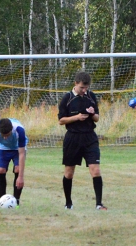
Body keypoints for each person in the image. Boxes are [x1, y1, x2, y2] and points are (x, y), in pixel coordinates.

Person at [58, 71, 107, 210]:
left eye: (86, 88)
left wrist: (92, 114)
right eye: (82, 88)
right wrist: (76, 117)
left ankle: (98, 204)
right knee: (69, 172)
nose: (84, 91)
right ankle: (68, 203)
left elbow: (97, 118)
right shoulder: (67, 98)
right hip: (72, 138)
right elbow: (61, 120)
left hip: (90, 137)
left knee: (95, 170)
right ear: (75, 84)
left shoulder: (91, 96)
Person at [0, 118, 28, 207]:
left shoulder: (19, 130)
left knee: (17, 169)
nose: (5, 138)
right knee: (1, 170)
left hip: (17, 148)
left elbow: (21, 154)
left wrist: (21, 177)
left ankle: (16, 201)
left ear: (11, 130)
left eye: (7, 135)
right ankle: (3, 201)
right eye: (3, 135)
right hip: (1, 147)